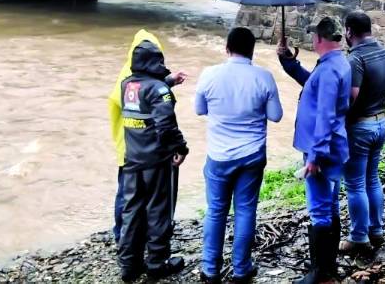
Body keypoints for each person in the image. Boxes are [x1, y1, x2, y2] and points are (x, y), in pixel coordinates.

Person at [195, 27, 284, 283]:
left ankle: (210, 269)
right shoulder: (264, 77)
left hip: (219, 156)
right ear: (252, 50)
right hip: (252, 155)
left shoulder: (209, 74)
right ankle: (241, 269)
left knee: (216, 210)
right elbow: (276, 116)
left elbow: (199, 109)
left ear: (227, 48)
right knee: (245, 210)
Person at [278, 17, 351, 284]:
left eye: (313, 36)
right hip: (333, 146)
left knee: (319, 209)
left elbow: (325, 114)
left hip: (322, 150)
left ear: (319, 38)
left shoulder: (329, 70)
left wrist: (315, 156)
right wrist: (288, 62)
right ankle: (327, 268)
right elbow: (313, 85)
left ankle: (320, 274)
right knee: (330, 205)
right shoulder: (336, 63)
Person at [117, 39, 189, 282]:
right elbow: (165, 126)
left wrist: (168, 81)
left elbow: (144, 95)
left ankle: (129, 266)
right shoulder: (159, 91)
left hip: (132, 160)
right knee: (158, 210)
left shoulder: (126, 85)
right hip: (156, 162)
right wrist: (181, 148)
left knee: (131, 211)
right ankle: (157, 263)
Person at [339, 11, 385, 256]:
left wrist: (339, 120)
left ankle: (359, 238)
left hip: (360, 127)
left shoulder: (355, 59)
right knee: (372, 178)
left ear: (349, 31)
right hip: (381, 121)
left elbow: (351, 97)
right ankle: (377, 230)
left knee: (355, 184)